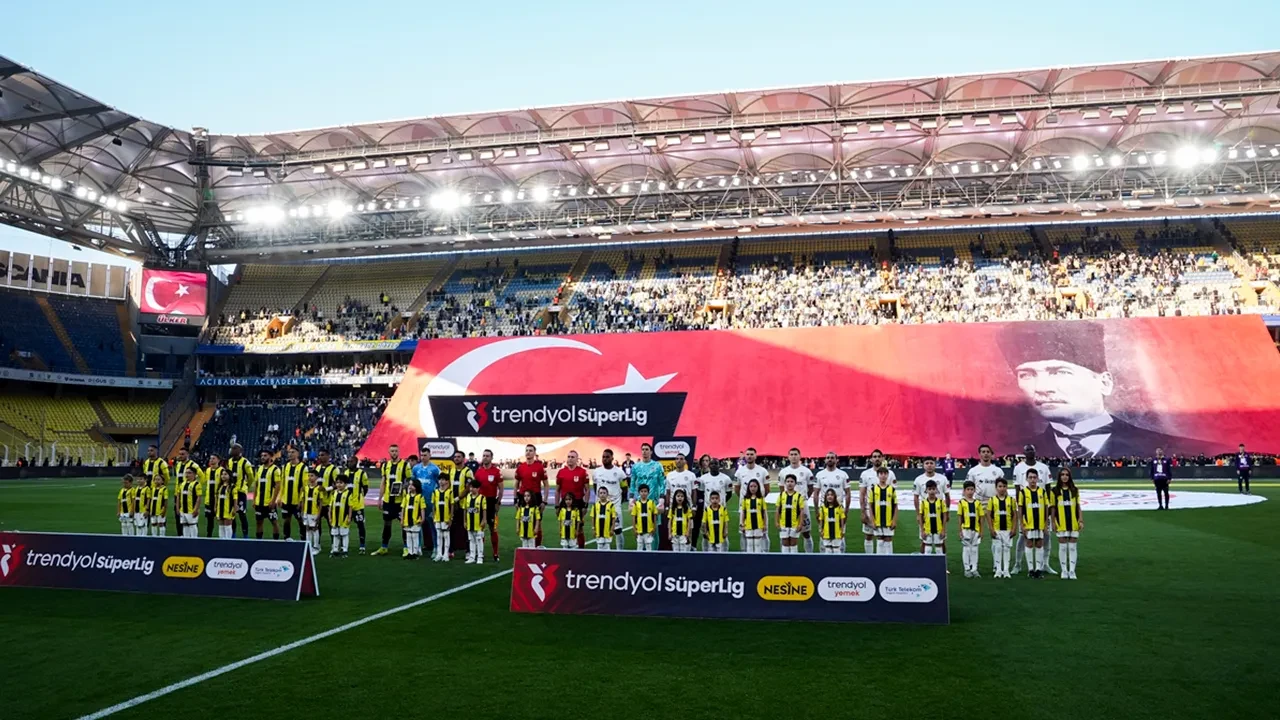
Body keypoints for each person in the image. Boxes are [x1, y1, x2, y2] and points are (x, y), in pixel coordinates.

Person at [999, 321, 1213, 458]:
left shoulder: (1176, 448)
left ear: (1104, 382)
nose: (1042, 388)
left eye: (1060, 372)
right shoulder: (1012, 453)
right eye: (1026, 375)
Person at [1012, 444, 1053, 575]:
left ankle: (1044, 564)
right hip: (1027, 508)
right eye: (1027, 450)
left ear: (1035, 451)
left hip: (1041, 508)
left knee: (1046, 536)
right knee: (1023, 536)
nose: (1030, 452)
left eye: (1032, 449)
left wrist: (1049, 509)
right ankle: (1018, 564)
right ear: (1023, 452)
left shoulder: (1043, 467)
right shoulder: (1018, 468)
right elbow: (1018, 489)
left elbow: (1048, 488)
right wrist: (1020, 510)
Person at [374, 444, 412, 556]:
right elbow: (383, 483)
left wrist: (402, 488)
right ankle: (384, 547)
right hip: (388, 500)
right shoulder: (385, 465)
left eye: (396, 451)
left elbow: (409, 481)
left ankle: (406, 547)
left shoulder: (405, 465)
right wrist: (379, 499)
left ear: (398, 452)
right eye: (392, 451)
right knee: (387, 524)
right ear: (389, 452)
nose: (394, 453)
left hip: (400, 501)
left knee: (404, 524)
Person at [629, 444, 667, 550]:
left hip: (653, 502)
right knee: (640, 528)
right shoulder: (636, 467)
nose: (644, 452)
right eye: (643, 450)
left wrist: (662, 498)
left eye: (647, 450)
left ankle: (654, 553)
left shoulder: (657, 465)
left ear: (651, 452)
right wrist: (631, 498)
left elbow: (662, 483)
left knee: (654, 530)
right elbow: (632, 483)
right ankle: (642, 553)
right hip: (640, 503)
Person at [859, 450, 897, 554]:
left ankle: (886, 560)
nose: (877, 458)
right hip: (869, 509)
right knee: (868, 535)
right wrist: (863, 512)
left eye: (879, 456)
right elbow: (862, 494)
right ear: (871, 459)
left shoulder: (891, 474)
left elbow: (893, 497)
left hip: (885, 511)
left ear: (883, 458)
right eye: (874, 456)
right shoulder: (865, 474)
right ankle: (870, 559)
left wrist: (894, 516)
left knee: (886, 536)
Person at [1018, 468, 1051, 579]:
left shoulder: (1042, 492)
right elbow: (1020, 509)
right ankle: (1030, 569)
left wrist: (1046, 523)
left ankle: (1038, 569)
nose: (1032, 480)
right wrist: (1022, 524)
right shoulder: (1023, 492)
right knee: (1029, 544)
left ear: (1038, 478)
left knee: (1039, 544)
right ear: (1027, 479)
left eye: (1034, 477)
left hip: (1040, 524)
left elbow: (1046, 507)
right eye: (1030, 477)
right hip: (1029, 524)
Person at [1051, 468, 1083, 579]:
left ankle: (1072, 571)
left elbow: (1078, 506)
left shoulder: (1074, 490)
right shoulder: (1054, 491)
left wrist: (1081, 520)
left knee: (1073, 547)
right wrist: (1053, 522)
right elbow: (1053, 508)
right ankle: (1064, 570)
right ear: (1059, 477)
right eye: (1062, 474)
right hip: (1061, 522)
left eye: (1067, 475)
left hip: (1073, 522)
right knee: (1063, 546)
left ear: (1070, 477)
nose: (1065, 477)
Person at [815, 452, 851, 552]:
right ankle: (824, 559)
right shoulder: (820, 475)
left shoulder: (843, 474)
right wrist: (816, 510)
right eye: (828, 458)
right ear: (825, 460)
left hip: (838, 509)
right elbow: (816, 493)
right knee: (823, 534)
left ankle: (841, 558)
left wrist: (846, 510)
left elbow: (848, 493)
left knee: (840, 534)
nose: (830, 459)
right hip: (824, 509)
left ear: (836, 460)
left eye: (832, 457)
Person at [782, 448, 816, 553]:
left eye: (795, 454)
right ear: (788, 457)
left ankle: (809, 555)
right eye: (791, 454)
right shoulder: (783, 472)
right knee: (786, 533)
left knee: (806, 532)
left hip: (802, 505)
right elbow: (781, 490)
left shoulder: (806, 471)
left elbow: (811, 488)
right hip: (787, 506)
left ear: (800, 456)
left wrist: (803, 499)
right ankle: (787, 555)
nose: (793, 456)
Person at [913, 458, 949, 554]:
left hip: (939, 511)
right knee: (924, 541)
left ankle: (943, 563)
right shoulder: (919, 479)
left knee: (941, 541)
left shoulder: (942, 478)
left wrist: (947, 511)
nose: (929, 465)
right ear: (923, 465)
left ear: (935, 464)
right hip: (925, 512)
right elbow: (916, 497)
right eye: (927, 463)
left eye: (931, 463)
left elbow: (947, 495)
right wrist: (918, 514)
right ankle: (923, 562)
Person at [514, 444, 548, 547]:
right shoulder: (520, 467)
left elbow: (546, 485)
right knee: (523, 520)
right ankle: (526, 546)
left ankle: (537, 546)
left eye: (530, 450)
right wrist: (515, 499)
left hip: (536, 497)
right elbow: (516, 484)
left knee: (537, 522)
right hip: (523, 497)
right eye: (527, 450)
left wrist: (544, 501)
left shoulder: (540, 467)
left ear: (534, 453)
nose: (528, 452)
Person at [555, 450, 590, 550]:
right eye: (569, 456)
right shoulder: (561, 472)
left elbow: (587, 490)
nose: (570, 459)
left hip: (578, 502)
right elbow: (557, 490)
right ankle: (566, 548)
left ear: (577, 459)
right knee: (564, 525)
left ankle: (581, 550)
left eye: (572, 457)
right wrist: (557, 505)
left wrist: (585, 505)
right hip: (564, 503)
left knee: (579, 527)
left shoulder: (582, 472)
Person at [441, 451, 472, 559]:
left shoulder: (468, 471)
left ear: (464, 459)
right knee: (451, 527)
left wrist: (458, 498)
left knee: (465, 528)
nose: (456, 458)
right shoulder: (451, 470)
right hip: (452, 504)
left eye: (459, 457)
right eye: (455, 457)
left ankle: (468, 551)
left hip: (463, 505)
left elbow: (468, 488)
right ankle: (450, 550)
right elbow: (448, 485)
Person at [473, 449, 504, 559]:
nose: (485, 457)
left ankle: (495, 553)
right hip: (480, 502)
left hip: (491, 502)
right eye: (484, 455)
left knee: (493, 528)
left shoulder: (496, 471)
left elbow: (501, 488)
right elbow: (474, 488)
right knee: (479, 528)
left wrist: (498, 502)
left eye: (487, 456)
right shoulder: (478, 472)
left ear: (491, 458)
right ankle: (480, 553)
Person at [696, 455, 731, 551]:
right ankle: (706, 552)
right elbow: (700, 492)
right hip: (707, 511)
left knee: (722, 532)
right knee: (706, 532)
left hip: (721, 511)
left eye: (716, 464)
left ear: (719, 465)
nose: (714, 465)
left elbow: (729, 493)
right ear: (709, 465)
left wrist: (720, 503)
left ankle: (724, 552)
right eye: (712, 464)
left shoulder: (726, 478)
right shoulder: (703, 478)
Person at [592, 449, 626, 543]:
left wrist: (620, 501)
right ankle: (603, 551)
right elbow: (595, 486)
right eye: (603, 457)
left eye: (607, 457)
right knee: (602, 529)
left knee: (618, 530)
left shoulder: (619, 472)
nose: (605, 459)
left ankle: (620, 552)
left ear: (612, 458)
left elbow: (625, 487)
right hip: (601, 505)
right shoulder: (596, 472)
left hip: (615, 505)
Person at [987, 478, 1017, 579]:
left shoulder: (1011, 500)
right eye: (1000, 486)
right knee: (998, 549)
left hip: (1008, 529)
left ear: (1007, 487)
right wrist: (991, 529)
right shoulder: (992, 500)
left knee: (1007, 549)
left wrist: (1014, 528)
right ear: (996, 488)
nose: (1002, 488)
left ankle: (1006, 570)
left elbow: (1014, 515)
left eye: (1004, 486)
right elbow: (989, 515)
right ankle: (998, 570)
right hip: (997, 529)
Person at [278, 447, 307, 541]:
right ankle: (287, 537)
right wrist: (280, 497)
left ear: (298, 454)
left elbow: (304, 486)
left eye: (293, 452)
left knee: (300, 520)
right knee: (286, 519)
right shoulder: (285, 467)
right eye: (289, 452)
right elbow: (282, 483)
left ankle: (303, 539)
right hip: (286, 499)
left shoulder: (303, 467)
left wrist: (301, 500)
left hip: (297, 500)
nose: (290, 454)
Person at [866, 466, 897, 554]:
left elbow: (895, 506)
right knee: (879, 540)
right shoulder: (873, 489)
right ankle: (880, 561)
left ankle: (889, 561)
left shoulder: (892, 489)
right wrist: (872, 520)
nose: (883, 476)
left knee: (888, 539)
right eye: (881, 474)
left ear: (888, 475)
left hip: (889, 520)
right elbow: (870, 506)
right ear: (877, 475)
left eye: (885, 474)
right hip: (877, 520)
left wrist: (894, 520)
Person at [253, 449, 281, 540]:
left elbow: (278, 486)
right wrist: (254, 500)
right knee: (259, 522)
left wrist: (273, 501)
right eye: (262, 456)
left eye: (265, 455)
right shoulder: (260, 468)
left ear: (270, 457)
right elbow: (257, 485)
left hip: (269, 502)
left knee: (274, 522)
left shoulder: (275, 469)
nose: (263, 457)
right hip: (259, 502)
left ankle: (275, 542)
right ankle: (259, 541)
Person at [141, 446, 171, 533]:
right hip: (147, 491)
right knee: (148, 511)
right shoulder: (146, 462)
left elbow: (167, 477)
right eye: (148, 451)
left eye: (151, 451)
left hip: (157, 491)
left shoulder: (161, 462)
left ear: (156, 451)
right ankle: (147, 531)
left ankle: (162, 532)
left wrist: (161, 487)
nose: (149, 452)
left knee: (160, 512)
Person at [918, 480, 948, 561]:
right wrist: (922, 530)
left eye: (933, 489)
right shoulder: (923, 503)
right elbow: (920, 517)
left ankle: (941, 567)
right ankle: (927, 567)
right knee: (928, 549)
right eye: (930, 489)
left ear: (936, 490)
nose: (931, 491)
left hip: (938, 529)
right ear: (926, 490)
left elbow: (945, 516)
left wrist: (943, 530)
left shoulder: (941, 502)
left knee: (939, 549)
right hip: (927, 529)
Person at [227, 443, 252, 538]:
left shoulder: (245, 462)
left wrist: (245, 486)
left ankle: (245, 535)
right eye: (232, 448)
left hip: (241, 492)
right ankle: (233, 534)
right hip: (231, 491)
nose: (232, 450)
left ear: (240, 451)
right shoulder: (229, 461)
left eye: (235, 448)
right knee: (232, 514)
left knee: (242, 514)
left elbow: (251, 477)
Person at [346, 456, 371, 552]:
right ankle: (344, 545)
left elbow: (365, 488)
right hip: (347, 505)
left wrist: (360, 497)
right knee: (344, 524)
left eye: (351, 461)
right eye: (348, 461)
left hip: (358, 505)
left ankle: (362, 545)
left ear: (356, 462)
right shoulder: (345, 473)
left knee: (360, 525)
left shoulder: (362, 474)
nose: (349, 463)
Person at [776, 474, 806, 554]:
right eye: (788, 481)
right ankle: (785, 561)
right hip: (783, 524)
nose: (790, 483)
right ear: (785, 483)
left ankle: (793, 561)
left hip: (794, 524)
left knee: (793, 543)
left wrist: (800, 524)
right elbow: (778, 510)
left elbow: (802, 511)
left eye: (792, 481)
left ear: (795, 483)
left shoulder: (799, 496)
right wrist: (777, 522)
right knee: (785, 542)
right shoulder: (781, 495)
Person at [461, 480, 489, 563]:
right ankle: (472, 556)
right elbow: (465, 510)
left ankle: (480, 556)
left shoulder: (482, 498)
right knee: (471, 540)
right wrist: (465, 521)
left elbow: (484, 510)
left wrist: (484, 520)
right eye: (470, 487)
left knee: (479, 539)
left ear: (478, 488)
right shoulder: (467, 497)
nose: (471, 489)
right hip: (470, 523)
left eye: (473, 487)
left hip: (478, 523)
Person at [329, 475, 355, 558]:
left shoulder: (349, 493)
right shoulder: (334, 493)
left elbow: (350, 506)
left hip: (344, 518)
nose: (339, 485)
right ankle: (335, 549)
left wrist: (350, 517)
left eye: (341, 483)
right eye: (337, 482)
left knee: (344, 534)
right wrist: (330, 517)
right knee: (335, 534)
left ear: (345, 484)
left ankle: (345, 550)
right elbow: (331, 506)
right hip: (335, 518)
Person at [739, 479, 768, 554]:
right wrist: (742, 523)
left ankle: (757, 560)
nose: (753, 488)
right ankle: (750, 561)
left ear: (758, 487)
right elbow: (743, 512)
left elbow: (764, 512)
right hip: (748, 525)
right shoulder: (745, 499)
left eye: (755, 486)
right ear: (748, 487)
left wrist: (765, 524)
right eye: (751, 486)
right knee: (749, 544)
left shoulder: (761, 499)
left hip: (759, 524)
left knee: (758, 544)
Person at [430, 476, 455, 562]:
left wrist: (451, 517)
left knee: (446, 535)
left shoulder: (450, 492)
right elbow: (433, 505)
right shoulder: (435, 492)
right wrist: (433, 516)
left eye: (443, 480)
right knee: (439, 535)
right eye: (440, 480)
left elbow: (452, 505)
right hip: (437, 517)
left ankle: (446, 554)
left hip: (446, 518)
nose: (441, 481)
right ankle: (439, 554)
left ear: (447, 481)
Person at [203, 454, 227, 538]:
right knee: (209, 520)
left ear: (218, 460)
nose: (211, 460)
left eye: (213, 458)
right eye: (210, 458)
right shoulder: (208, 470)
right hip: (208, 499)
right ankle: (209, 536)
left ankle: (224, 537)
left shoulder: (222, 471)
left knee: (222, 519)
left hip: (219, 500)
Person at [301, 469, 325, 554]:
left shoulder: (319, 488)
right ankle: (309, 546)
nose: (310, 478)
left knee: (314, 529)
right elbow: (303, 500)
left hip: (314, 512)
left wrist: (319, 514)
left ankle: (316, 547)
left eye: (312, 476)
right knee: (307, 529)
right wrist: (303, 511)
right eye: (309, 476)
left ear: (317, 477)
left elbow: (321, 502)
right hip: (306, 512)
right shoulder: (305, 487)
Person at [401, 480, 426, 560]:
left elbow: (422, 508)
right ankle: (410, 552)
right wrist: (402, 519)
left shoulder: (420, 497)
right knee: (408, 536)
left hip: (416, 520)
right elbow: (403, 508)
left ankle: (415, 552)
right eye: (409, 485)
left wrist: (423, 518)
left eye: (412, 485)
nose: (410, 486)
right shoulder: (406, 497)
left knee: (415, 536)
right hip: (407, 520)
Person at [630, 484, 658, 552]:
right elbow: (634, 517)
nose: (643, 493)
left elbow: (654, 516)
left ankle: (649, 561)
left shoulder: (651, 503)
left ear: (648, 493)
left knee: (649, 547)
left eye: (645, 491)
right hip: (639, 531)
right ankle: (639, 561)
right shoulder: (636, 504)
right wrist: (634, 529)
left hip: (649, 531)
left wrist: (654, 527)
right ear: (639, 493)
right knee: (639, 547)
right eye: (642, 491)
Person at [818, 488, 845, 554]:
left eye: (831, 495)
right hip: (826, 533)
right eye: (828, 495)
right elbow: (821, 520)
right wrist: (821, 530)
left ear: (834, 496)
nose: (830, 496)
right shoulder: (823, 507)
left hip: (837, 532)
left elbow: (842, 519)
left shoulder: (839, 507)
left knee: (836, 550)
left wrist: (842, 530)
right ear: (826, 497)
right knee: (828, 550)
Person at [590, 486, 618, 550]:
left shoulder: (611, 505)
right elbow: (593, 518)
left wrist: (612, 529)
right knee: (599, 547)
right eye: (601, 493)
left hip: (607, 531)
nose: (602, 494)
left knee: (607, 547)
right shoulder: (595, 505)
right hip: (598, 531)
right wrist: (593, 529)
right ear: (598, 494)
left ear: (607, 494)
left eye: (604, 493)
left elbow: (613, 518)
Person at [177, 467, 202, 538]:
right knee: (185, 525)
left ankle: (194, 541)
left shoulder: (197, 484)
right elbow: (178, 497)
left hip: (191, 510)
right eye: (186, 473)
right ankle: (186, 541)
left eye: (189, 473)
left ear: (194, 474)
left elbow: (199, 498)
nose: (187, 475)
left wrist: (196, 509)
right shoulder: (182, 484)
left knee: (192, 525)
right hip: (183, 510)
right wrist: (178, 508)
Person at [214, 468, 238, 540]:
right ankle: (221, 540)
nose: (223, 476)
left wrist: (234, 508)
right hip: (220, 509)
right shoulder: (220, 486)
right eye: (222, 474)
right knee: (221, 526)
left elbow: (235, 498)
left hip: (228, 509)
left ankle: (228, 541)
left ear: (230, 476)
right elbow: (217, 497)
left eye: (225, 474)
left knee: (227, 526)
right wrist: (215, 506)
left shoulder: (232, 487)